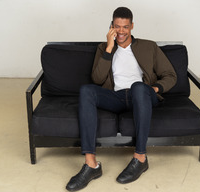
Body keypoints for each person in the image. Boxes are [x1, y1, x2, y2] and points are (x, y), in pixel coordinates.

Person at [66, 7, 177, 191]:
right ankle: (91, 165)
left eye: (125, 27)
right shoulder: (104, 48)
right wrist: (109, 49)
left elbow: (170, 75)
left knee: (138, 87)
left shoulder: (149, 46)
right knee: (86, 90)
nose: (121, 31)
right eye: (117, 26)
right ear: (111, 26)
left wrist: (155, 88)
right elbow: (97, 79)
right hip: (116, 97)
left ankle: (140, 158)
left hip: (141, 95)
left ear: (132, 26)